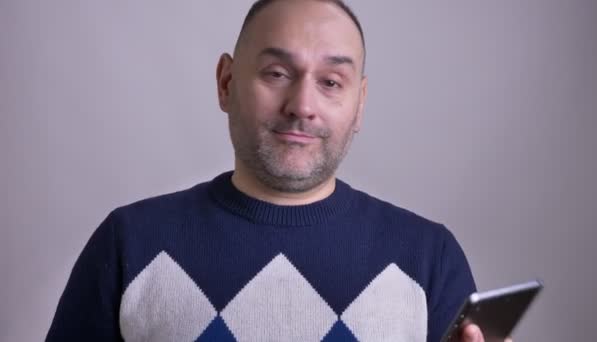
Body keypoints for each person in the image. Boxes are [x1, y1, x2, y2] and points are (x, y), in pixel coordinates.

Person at [47, 0, 511, 341]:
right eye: (276, 73)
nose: (303, 106)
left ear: (360, 104)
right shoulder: (130, 242)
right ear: (226, 83)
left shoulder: (427, 257)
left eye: (331, 82)